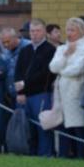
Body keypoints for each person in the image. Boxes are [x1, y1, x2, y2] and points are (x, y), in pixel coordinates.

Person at [49, 17, 84, 159]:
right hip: (61, 91)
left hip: (76, 90)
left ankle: (83, 157)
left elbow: (77, 69)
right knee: (63, 125)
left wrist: (62, 70)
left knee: (78, 125)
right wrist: (66, 55)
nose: (69, 33)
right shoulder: (62, 48)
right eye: (67, 29)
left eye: (72, 30)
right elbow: (53, 67)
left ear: (80, 31)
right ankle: (64, 155)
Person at [14, 19, 57, 157]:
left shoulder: (50, 50)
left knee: (42, 127)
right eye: (32, 31)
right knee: (27, 128)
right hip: (24, 96)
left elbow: (46, 73)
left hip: (41, 94)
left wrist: (25, 84)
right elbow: (18, 71)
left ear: (44, 32)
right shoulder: (24, 50)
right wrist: (20, 91)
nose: (34, 34)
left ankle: (45, 155)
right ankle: (30, 155)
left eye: (38, 31)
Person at [0, 27, 30, 103]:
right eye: (3, 43)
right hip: (11, 94)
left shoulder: (28, 47)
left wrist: (22, 92)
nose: (6, 45)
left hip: (26, 94)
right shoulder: (5, 51)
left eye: (8, 41)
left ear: (15, 38)